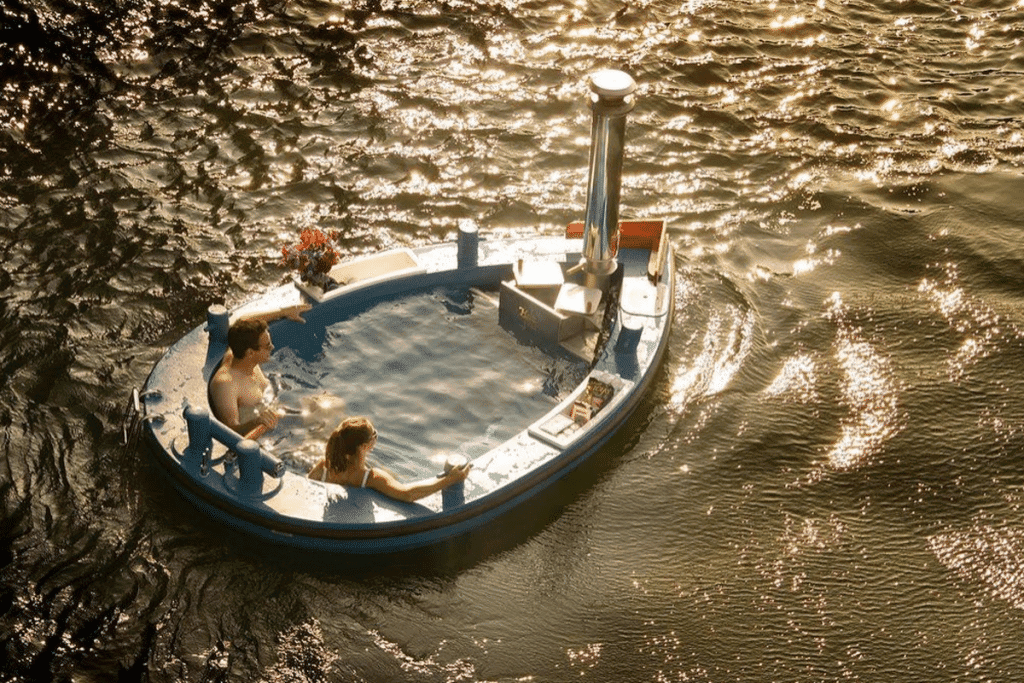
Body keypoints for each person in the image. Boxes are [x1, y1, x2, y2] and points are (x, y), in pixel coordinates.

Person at [307, 417, 472, 503]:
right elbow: (408, 494)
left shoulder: (324, 466)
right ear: (364, 446)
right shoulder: (370, 478)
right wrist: (450, 479)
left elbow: (307, 487)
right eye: (374, 435)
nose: (375, 438)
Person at [209, 303, 310, 439]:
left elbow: (243, 320)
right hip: (263, 431)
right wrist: (256, 422)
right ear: (250, 352)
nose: (272, 347)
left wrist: (284, 312)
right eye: (267, 346)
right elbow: (230, 431)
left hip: (273, 412)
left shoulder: (240, 354)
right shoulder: (226, 385)